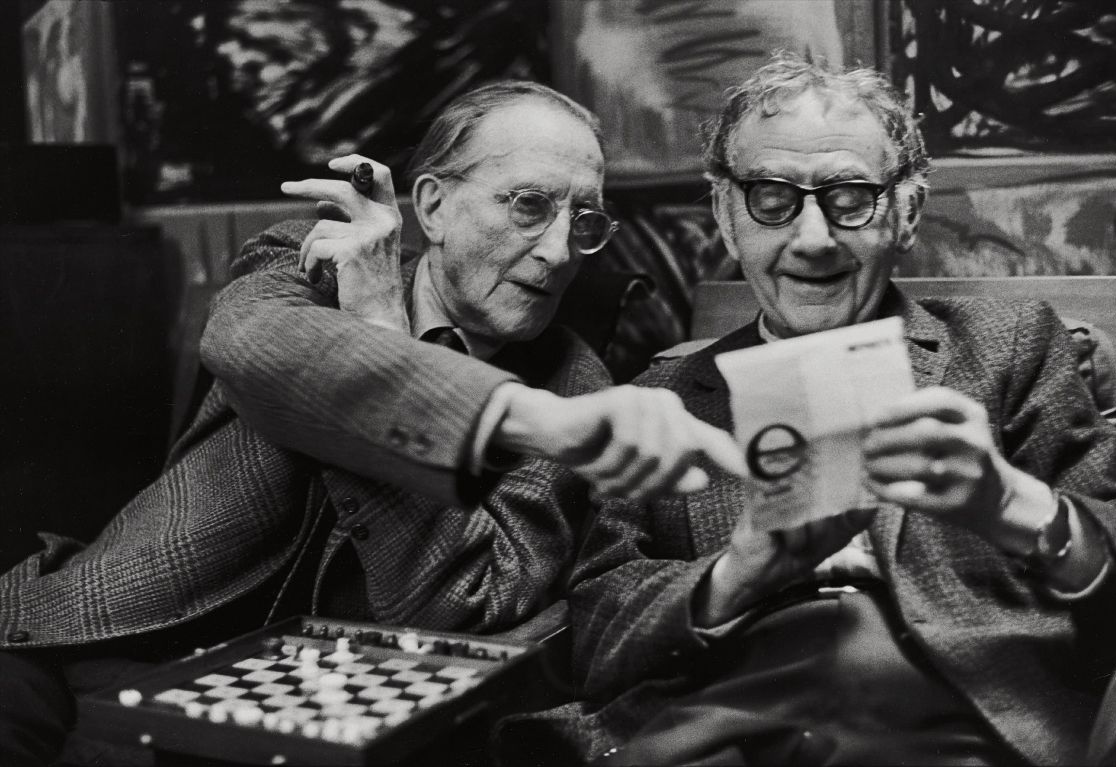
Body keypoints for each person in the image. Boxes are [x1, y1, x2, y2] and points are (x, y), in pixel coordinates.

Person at [0, 80, 743, 766]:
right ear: (433, 204)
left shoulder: (578, 385)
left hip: (305, 715)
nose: (556, 251)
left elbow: (460, 605)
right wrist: (479, 394)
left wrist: (386, 332)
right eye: (528, 205)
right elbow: (248, 342)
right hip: (93, 634)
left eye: (584, 220)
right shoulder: (311, 253)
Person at [523, 54, 1116, 766]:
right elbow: (598, 621)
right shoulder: (663, 397)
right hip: (724, 723)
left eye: (849, 197)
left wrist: (1017, 506)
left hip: (959, 719)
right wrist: (734, 574)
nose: (812, 239)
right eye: (772, 197)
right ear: (725, 214)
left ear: (905, 211)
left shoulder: (1010, 346)